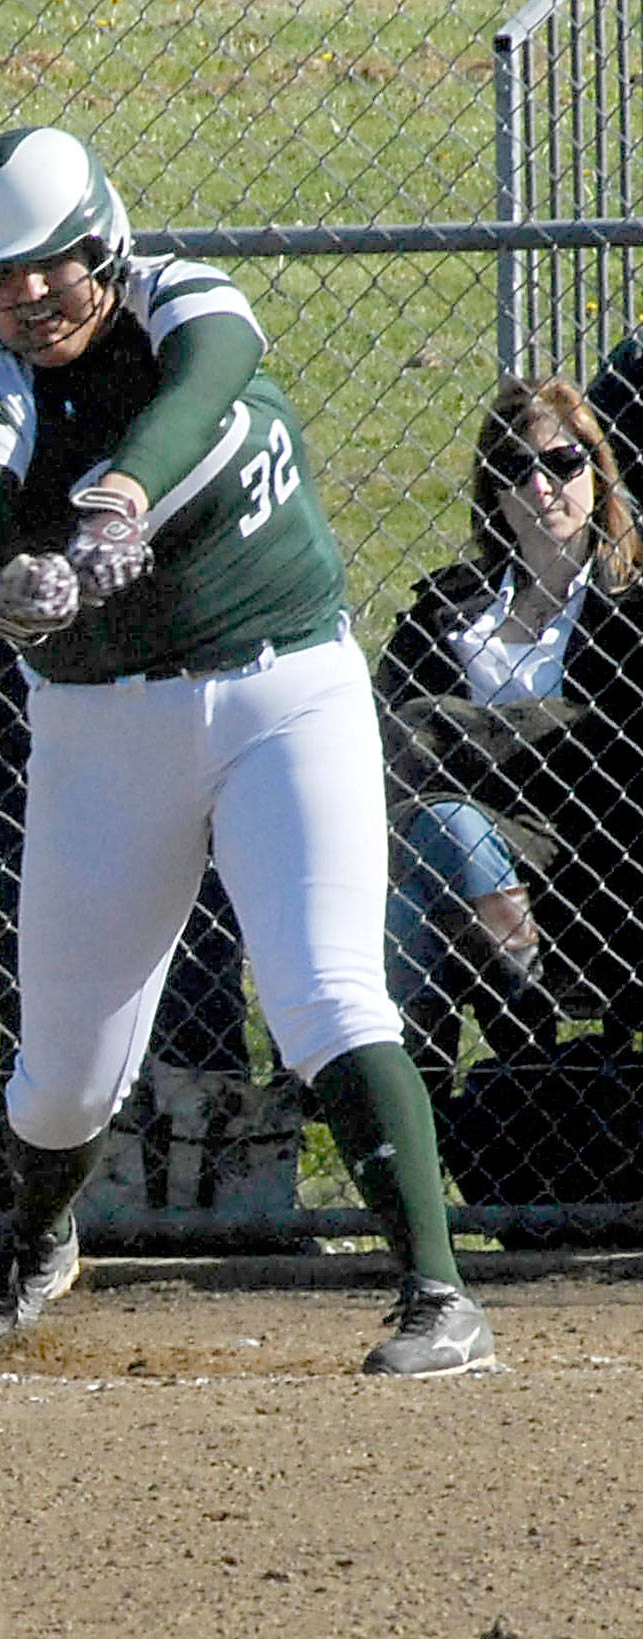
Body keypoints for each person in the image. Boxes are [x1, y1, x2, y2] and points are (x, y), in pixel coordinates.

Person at [0, 124, 494, 1374]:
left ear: (103, 244)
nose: (24, 302)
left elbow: (200, 391)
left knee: (323, 990)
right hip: (101, 724)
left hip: (282, 689)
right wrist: (3, 583)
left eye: (50, 271)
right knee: (66, 1077)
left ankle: (435, 1294)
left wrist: (115, 498)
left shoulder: (185, 299)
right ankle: (30, 1239)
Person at [0, 618, 299, 1233]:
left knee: (200, 965)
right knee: (46, 987)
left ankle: (204, 1210)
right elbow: (1, 772)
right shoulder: (28, 612)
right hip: (52, 663)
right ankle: (38, 1221)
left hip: (196, 683)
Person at [374, 376, 643, 1223]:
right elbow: (382, 741)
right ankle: (432, 1090)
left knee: (440, 811)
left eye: (564, 462)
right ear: (494, 488)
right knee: (428, 848)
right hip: (450, 874)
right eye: (518, 467)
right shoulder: (444, 612)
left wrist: (448, 733)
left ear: (598, 473)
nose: (543, 486)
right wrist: (477, 739)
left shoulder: (630, 609)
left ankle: (401, 1111)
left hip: (586, 867)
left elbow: (606, 750)